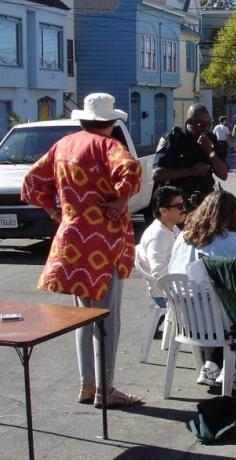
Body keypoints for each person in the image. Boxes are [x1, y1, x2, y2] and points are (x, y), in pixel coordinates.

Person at [21, 92, 144, 408]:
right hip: (102, 242)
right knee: (107, 318)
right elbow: (130, 171)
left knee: (83, 317)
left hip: (72, 242)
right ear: (111, 121)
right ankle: (106, 389)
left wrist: (53, 210)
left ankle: (87, 385)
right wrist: (120, 200)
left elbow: (33, 181)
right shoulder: (108, 146)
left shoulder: (63, 146)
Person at [168, 190, 236, 388]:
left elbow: (173, 269)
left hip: (186, 319)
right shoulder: (232, 240)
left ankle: (212, 364)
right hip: (218, 320)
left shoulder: (183, 237)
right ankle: (235, 371)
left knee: (214, 303)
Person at [153, 103, 229, 207]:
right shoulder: (172, 139)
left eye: (209, 123)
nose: (206, 128)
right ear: (189, 122)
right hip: (179, 204)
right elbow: (157, 174)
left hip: (204, 203)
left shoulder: (210, 139)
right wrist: (191, 171)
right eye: (201, 125)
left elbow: (223, 175)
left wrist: (209, 151)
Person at [135, 186, 187, 307]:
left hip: (176, 288)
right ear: (163, 211)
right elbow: (159, 271)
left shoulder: (172, 227)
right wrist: (187, 279)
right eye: (179, 207)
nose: (184, 209)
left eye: (183, 205)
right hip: (165, 295)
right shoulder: (157, 236)